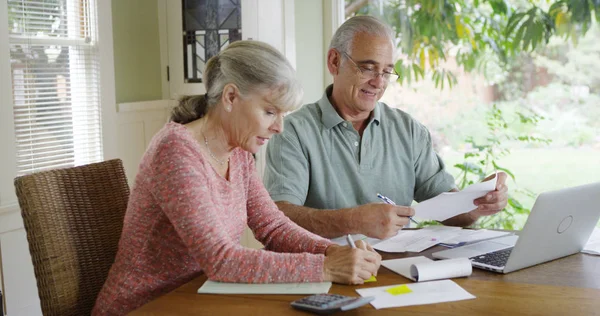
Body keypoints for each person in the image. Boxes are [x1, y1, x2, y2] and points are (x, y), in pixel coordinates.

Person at [92, 41, 381, 315]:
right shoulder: (176, 152)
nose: (279, 127)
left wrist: (333, 250)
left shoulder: (238, 151)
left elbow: (272, 226)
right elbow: (221, 260)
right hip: (146, 306)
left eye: (282, 114)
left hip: (200, 298)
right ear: (230, 97)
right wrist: (326, 267)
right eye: (270, 111)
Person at [264, 16, 508, 240]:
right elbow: (279, 217)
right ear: (334, 62)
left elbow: (451, 211)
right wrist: (353, 221)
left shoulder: (408, 130)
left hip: (402, 269)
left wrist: (477, 204)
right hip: (329, 270)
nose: (379, 82)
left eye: (387, 71)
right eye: (368, 68)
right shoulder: (292, 131)